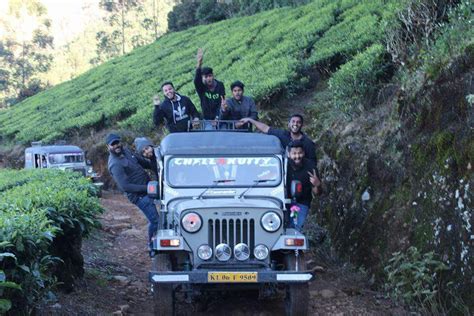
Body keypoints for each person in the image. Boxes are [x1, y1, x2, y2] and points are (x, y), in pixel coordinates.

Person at [106, 133, 159, 252]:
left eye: (117, 142)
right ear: (108, 147)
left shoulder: (126, 151)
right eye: (113, 144)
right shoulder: (115, 164)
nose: (116, 146)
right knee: (155, 221)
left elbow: (142, 162)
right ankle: (152, 247)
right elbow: (125, 186)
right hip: (139, 196)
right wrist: (147, 188)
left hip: (149, 189)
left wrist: (155, 163)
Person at [239, 114, 317, 164]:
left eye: (298, 122)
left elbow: (312, 163)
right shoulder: (282, 134)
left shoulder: (308, 143)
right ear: (289, 124)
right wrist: (251, 120)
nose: (295, 124)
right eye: (293, 121)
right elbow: (266, 128)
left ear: (302, 125)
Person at [286, 140, 321, 231]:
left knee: (294, 228)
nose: (297, 156)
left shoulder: (310, 166)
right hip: (284, 201)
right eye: (294, 153)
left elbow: (317, 193)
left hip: (300, 203)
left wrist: (317, 184)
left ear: (304, 153)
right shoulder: (283, 164)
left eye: (300, 153)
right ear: (289, 154)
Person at [194, 48, 225, 121]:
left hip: (219, 118)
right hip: (206, 119)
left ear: (213, 75)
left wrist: (217, 117)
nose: (208, 79)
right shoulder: (201, 87)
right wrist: (199, 63)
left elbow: (222, 101)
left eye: (210, 76)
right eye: (206, 77)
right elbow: (196, 80)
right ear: (203, 78)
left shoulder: (220, 85)